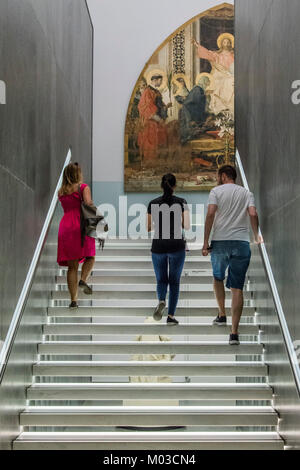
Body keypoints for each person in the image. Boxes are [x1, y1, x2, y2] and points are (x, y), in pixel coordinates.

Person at [202, 165, 263, 345]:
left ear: (223, 176)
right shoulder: (246, 193)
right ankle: (234, 333)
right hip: (241, 243)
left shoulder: (216, 191)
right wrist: (256, 234)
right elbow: (253, 213)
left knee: (218, 278)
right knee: (237, 288)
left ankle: (222, 314)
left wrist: (206, 242)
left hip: (220, 242)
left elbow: (211, 214)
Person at [147, 173, 190, 325]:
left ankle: (161, 300)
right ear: (175, 186)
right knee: (174, 282)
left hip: (158, 245)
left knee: (161, 279)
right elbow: (186, 226)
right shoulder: (181, 202)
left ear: (161, 185)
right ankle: (171, 317)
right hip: (176, 245)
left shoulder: (153, 203)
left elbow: (147, 227)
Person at [57, 162, 96, 309]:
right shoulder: (82, 187)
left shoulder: (61, 191)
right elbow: (88, 204)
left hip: (65, 225)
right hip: (80, 224)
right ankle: (83, 280)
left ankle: (73, 301)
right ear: (78, 174)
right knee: (90, 256)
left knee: (71, 267)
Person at [192, 33, 234, 115]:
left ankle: (231, 107)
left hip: (231, 75)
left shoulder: (234, 55)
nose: (226, 44)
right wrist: (197, 45)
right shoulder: (217, 55)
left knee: (232, 81)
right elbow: (207, 53)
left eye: (228, 42)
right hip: (220, 75)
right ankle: (223, 107)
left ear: (231, 44)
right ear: (221, 44)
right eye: (224, 42)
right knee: (226, 82)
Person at [138, 74, 172, 162]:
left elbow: (159, 106)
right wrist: (158, 119)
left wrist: (166, 107)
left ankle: (160, 160)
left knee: (163, 137)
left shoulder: (156, 92)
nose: (161, 82)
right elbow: (147, 108)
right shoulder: (148, 92)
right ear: (155, 80)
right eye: (160, 80)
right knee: (152, 141)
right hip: (150, 122)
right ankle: (151, 162)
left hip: (158, 121)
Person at [175, 75, 210, 144]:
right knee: (188, 129)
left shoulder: (198, 89)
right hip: (188, 110)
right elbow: (195, 102)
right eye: (207, 83)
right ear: (203, 82)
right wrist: (206, 96)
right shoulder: (198, 89)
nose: (207, 85)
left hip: (189, 109)